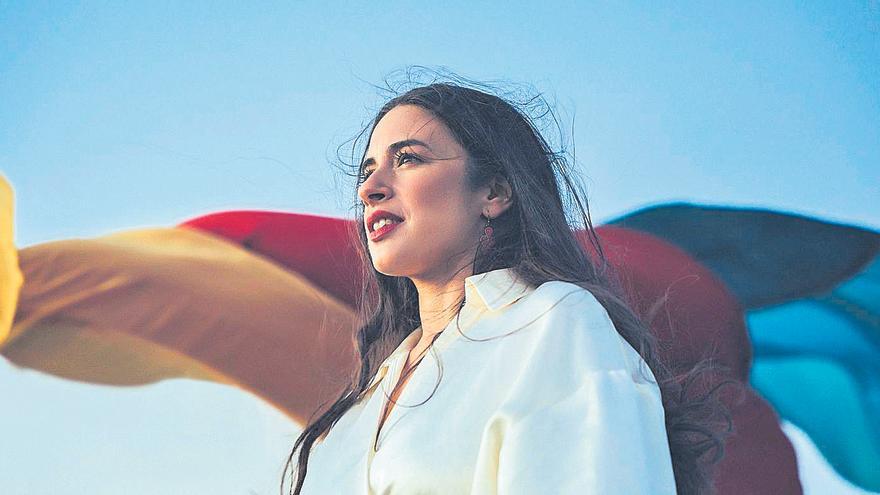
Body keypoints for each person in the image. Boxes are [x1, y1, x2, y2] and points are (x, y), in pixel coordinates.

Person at [282, 72, 730, 494]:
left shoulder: (553, 324)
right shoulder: (363, 399)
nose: (370, 189)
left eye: (409, 159)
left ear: (494, 193)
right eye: (366, 172)